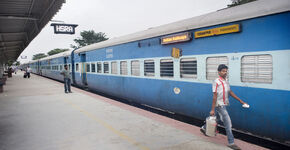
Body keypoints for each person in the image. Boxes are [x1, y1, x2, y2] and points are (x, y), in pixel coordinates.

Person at [200, 64, 248, 150]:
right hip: (219, 104)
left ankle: (204, 127)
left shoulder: (226, 81)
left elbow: (230, 92)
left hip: (224, 103)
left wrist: (240, 100)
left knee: (217, 118)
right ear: (219, 72)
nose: (225, 72)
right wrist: (212, 109)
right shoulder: (216, 81)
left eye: (226, 71)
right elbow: (214, 96)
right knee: (228, 123)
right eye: (223, 71)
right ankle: (231, 142)